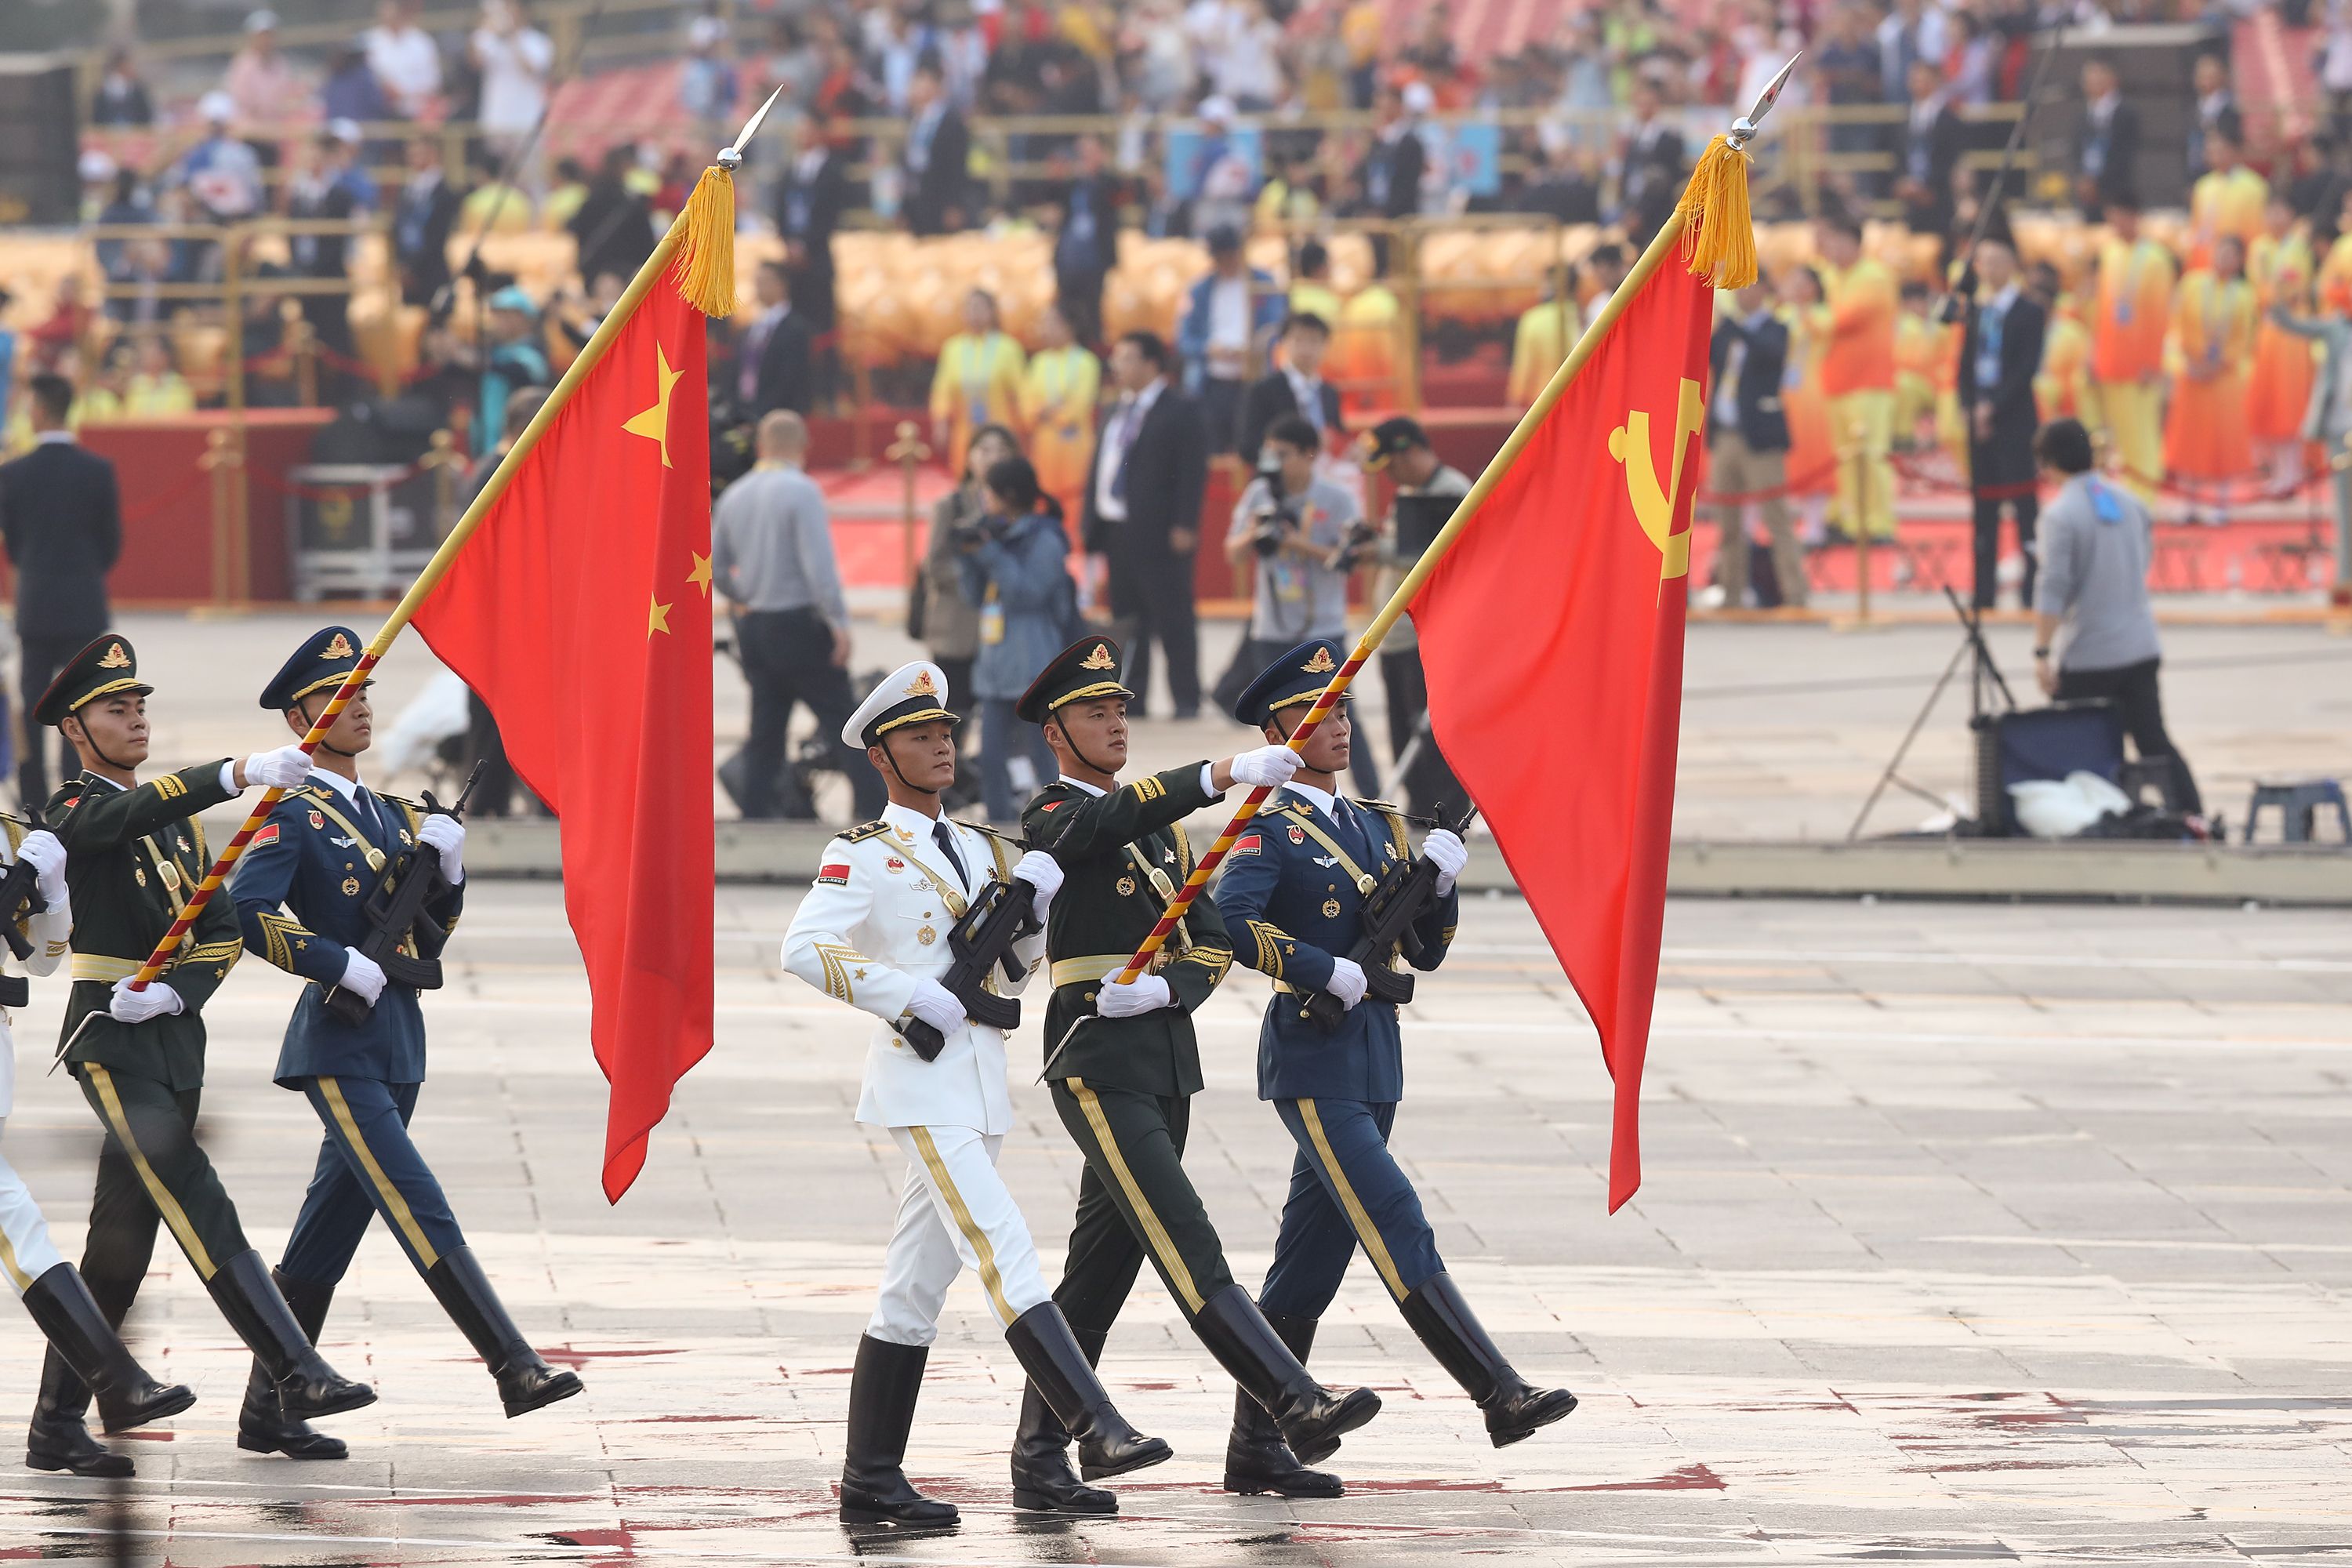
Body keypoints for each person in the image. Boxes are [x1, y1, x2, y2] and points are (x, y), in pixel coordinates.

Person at [781, 662, 1169, 1524]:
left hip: (979, 1077)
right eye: (920, 736)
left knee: (913, 1288)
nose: (942, 746)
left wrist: (1028, 914)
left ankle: (870, 1478)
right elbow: (804, 948)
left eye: (947, 731)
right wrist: (911, 994)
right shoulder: (863, 854)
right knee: (1005, 1244)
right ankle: (1093, 1419)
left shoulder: (993, 850)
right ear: (882, 756)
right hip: (922, 1082)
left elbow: (1011, 965)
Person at [1009, 636, 1381, 1503]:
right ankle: (1293, 1396)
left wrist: (1169, 989)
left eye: (1120, 709)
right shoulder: (1053, 815)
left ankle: (1037, 1457)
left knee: (1101, 1267)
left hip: (1163, 1058)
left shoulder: (1169, 835)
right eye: (1095, 713)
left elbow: (1213, 940)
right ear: (1057, 733)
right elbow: (1103, 823)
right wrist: (1217, 772)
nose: (1114, 722)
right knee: (1186, 1234)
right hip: (1095, 1060)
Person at [1212, 639, 1575, 1497]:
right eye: (1316, 713)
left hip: (1375, 1060)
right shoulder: (1267, 826)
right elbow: (1230, 922)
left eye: (1341, 710)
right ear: (1276, 729)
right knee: (1396, 1214)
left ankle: (1257, 1448)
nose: (1336, 725)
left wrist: (1440, 887)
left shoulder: (1378, 822)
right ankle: (1498, 1391)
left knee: (1310, 1261)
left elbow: (1425, 950)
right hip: (1312, 1055)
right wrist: (1320, 968)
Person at [230, 629, 582, 1459]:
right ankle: (512, 1362)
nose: (359, 706)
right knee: (418, 1202)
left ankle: (267, 1408)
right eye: (339, 695)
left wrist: (449, 875)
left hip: (396, 1042)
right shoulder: (290, 811)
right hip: (335, 1042)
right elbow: (247, 913)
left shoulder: (391, 814)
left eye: (363, 693)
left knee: (327, 1230)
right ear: (299, 713)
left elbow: (427, 937)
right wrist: (333, 960)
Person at [25, 637, 372, 1478]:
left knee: (120, 1241)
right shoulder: (72, 808)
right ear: (76, 729)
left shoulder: (173, 822)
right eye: (116, 708)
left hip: (172, 1036)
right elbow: (118, 820)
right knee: (196, 1195)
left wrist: (180, 991)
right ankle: (298, 1369)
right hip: (109, 1039)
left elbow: (218, 921)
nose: (135, 717)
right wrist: (237, 771)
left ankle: (56, 1423)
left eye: (140, 704)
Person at [2, 818, 195, 1468]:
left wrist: (53, 894)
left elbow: (42, 959)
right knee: (16, 1219)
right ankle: (111, 1376)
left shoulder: (7, 837)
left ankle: (86, 1400)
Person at [710, 412, 881, 823]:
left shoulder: (735, 495)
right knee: (846, 723)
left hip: (755, 627)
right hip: (799, 625)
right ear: (803, 448)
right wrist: (839, 623)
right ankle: (879, 812)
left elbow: (715, 564)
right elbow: (818, 568)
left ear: (761, 446)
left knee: (765, 731)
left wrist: (741, 598)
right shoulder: (801, 491)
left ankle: (754, 820)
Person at [2030, 419, 2203, 818]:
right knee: (2154, 742)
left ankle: (2091, 821)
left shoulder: (2060, 515)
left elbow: (2053, 588)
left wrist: (2042, 651)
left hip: (2092, 654)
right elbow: (2141, 562)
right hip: (2140, 645)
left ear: (2049, 463)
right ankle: (2195, 817)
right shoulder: (2132, 502)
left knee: (2075, 746)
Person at [0, 375, 122, 808]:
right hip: (85, 605)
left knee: (34, 703)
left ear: (39, 410)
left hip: (35, 605)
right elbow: (110, 543)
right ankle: (79, 792)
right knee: (82, 702)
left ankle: (32, 795)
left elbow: (12, 544)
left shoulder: (13, 473)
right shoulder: (97, 470)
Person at [1082, 332, 1207, 717]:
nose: (1118, 366)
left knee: (1172, 617)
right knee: (1126, 618)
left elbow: (1191, 472)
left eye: (1127, 358)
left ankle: (1186, 698)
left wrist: (1186, 522)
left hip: (1161, 530)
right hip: (1116, 526)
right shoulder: (1115, 409)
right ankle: (1133, 697)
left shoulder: (1180, 409)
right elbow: (1100, 465)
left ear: (1152, 364)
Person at [1359, 417, 1469, 818]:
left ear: (1409, 451)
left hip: (1427, 637)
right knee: (1403, 734)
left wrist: (1379, 550)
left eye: (1391, 464)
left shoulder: (1451, 493)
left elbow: (1436, 558)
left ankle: (1446, 817)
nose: (1389, 476)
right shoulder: (1410, 492)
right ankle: (1420, 813)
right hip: (1397, 636)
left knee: (1430, 736)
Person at [957, 456, 1073, 822]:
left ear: (1007, 495)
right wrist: (969, 555)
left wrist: (989, 553)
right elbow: (975, 597)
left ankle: (1062, 823)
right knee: (991, 758)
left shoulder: (1046, 539)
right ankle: (997, 827)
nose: (984, 502)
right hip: (995, 667)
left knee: (1045, 756)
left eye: (988, 494)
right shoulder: (997, 535)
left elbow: (1028, 594)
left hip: (1034, 664)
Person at [1218, 416, 1358, 713]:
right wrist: (1256, 532)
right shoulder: (1260, 493)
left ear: (1310, 454)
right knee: (1278, 720)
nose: (1274, 463)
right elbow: (1232, 554)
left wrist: (1298, 543)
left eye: (1282, 454)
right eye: (1269, 454)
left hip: (1323, 626)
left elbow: (1349, 560)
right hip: (1271, 628)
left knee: (1338, 716)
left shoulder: (1336, 498)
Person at [1707, 280, 1807, 610]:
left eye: (1746, 287)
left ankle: (1794, 594)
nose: (1740, 294)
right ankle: (1731, 592)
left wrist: (1736, 325)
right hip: (1726, 435)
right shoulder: (1726, 332)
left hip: (1760, 439)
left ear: (1763, 290)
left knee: (1776, 518)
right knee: (1728, 522)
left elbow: (1771, 355)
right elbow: (1708, 356)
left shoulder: (1776, 328)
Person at [1958, 238, 2047, 608]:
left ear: (2012, 265)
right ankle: (1984, 591)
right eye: (1984, 263)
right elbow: (1965, 363)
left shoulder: (2029, 312)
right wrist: (1969, 405)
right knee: (1984, 510)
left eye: (1998, 262)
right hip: (1979, 420)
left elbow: (2025, 369)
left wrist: (1992, 408)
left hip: (2013, 419)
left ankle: (2032, 590)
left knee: (2025, 508)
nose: (1990, 270)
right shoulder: (1977, 310)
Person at [924, 425, 1018, 721]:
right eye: (984, 450)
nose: (992, 458)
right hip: (958, 626)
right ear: (969, 459)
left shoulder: (1019, 510)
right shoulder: (950, 506)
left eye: (1001, 451)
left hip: (1005, 632)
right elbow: (935, 564)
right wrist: (977, 581)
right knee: (954, 719)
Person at [1818, 215, 1898, 542]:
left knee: (1871, 455)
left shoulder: (1874, 277)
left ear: (1856, 242)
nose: (1831, 248)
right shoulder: (1833, 276)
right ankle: (1851, 520)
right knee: (1844, 459)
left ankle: (1879, 522)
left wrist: (1805, 308)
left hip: (1870, 383)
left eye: (1838, 240)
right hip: (1837, 380)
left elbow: (1841, 320)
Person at [2164, 233, 2257, 515]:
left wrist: (2220, 364)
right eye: (2220, 252)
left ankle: (2222, 502)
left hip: (2225, 377)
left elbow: (2246, 338)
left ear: (2240, 261)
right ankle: (2189, 503)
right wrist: (2190, 359)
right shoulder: (2192, 283)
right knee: (2190, 438)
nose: (2223, 259)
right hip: (2192, 373)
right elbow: (2176, 324)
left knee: (2223, 439)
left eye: (2231, 254)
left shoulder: (2244, 294)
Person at [2089, 197, 2174, 503]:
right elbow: (2102, 310)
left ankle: (2146, 501)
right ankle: (2129, 495)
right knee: (2122, 437)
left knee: (2142, 436)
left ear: (2134, 217)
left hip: (2141, 367)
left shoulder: (2155, 259)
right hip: (2112, 361)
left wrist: (2152, 363)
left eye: (2121, 217)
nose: (2115, 224)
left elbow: (2158, 316)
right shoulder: (2110, 252)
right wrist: (2095, 354)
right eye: (2111, 217)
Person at [1178, 225, 1282, 452]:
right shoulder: (1200, 290)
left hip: (1253, 378)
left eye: (1230, 255)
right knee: (1213, 445)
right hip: (1214, 381)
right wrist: (1209, 349)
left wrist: (1254, 348)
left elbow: (1277, 326)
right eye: (1220, 257)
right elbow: (1185, 339)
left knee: (1254, 445)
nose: (1226, 262)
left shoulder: (1262, 282)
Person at [2249, 198, 2318, 491]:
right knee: (2269, 402)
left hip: (2292, 333)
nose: (2275, 217)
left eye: (2280, 210)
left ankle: (2292, 471)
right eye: (2271, 211)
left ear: (2290, 213)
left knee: (2289, 403)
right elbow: (2258, 288)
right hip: (2268, 331)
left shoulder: (2299, 247)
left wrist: (2277, 291)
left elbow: (2296, 287)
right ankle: (2276, 470)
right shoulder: (2260, 247)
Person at [1019, 302, 1101, 528]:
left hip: (1074, 442)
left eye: (1052, 323)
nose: (1046, 329)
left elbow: (1079, 406)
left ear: (1070, 326)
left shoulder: (1086, 362)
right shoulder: (1039, 362)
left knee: (1076, 496)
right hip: (1044, 443)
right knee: (1044, 495)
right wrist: (1042, 411)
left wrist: (1049, 411)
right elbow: (1027, 404)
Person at [930, 289, 1027, 478]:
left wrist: (1025, 424)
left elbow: (1022, 392)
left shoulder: (1008, 348)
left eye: (980, 308)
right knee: (966, 476)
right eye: (970, 308)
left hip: (1000, 428)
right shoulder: (953, 348)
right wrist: (940, 421)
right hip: (965, 428)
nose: (974, 313)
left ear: (992, 312)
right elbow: (942, 389)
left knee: (999, 477)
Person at [773, 113, 852, 335]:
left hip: (817, 258)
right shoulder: (790, 169)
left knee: (820, 324)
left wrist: (807, 245)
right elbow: (780, 210)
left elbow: (830, 215)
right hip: (792, 258)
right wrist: (789, 243)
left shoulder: (833, 170)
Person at [1238, 314, 1341, 468]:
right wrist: (1286, 457)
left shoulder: (1329, 392)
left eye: (1314, 341)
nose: (1306, 348)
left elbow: (1337, 435)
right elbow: (1248, 449)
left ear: (1325, 346)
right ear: (1283, 343)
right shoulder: (1263, 390)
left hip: (1323, 474)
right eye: (1299, 340)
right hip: (1279, 481)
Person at [1053, 136, 1120, 348]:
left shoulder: (1107, 182)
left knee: (1093, 315)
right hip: (1068, 260)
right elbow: (1049, 199)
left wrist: (1092, 177)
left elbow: (1119, 195)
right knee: (1067, 312)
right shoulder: (1071, 184)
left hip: (1094, 260)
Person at [1893, 58, 1963, 252]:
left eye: (1922, 79)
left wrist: (1929, 187)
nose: (1916, 84)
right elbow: (1899, 155)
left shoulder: (1948, 118)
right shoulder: (1907, 116)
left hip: (1939, 198)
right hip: (1912, 201)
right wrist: (1904, 182)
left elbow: (1950, 158)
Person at [568, 147, 657, 296]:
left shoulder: (590, 201)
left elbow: (576, 230)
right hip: (629, 277)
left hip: (595, 274)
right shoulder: (633, 203)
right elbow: (646, 242)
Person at [473, 287, 550, 456]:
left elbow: (524, 372)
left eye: (505, 316)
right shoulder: (497, 351)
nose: (498, 322)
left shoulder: (532, 350)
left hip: (519, 442)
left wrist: (474, 361)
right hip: (490, 438)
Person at [735, 260, 815, 422]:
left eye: (765, 281)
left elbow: (791, 378)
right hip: (746, 413)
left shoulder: (796, 329)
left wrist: (761, 412)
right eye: (757, 281)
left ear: (782, 285)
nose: (759, 287)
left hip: (778, 415)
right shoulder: (751, 327)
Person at [902, 63, 975, 235]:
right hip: (918, 199)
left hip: (941, 201)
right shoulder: (915, 120)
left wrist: (954, 204)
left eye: (920, 83)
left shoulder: (951, 122)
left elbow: (958, 166)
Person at [392, 138, 462, 308]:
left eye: (419, 154)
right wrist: (403, 264)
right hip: (409, 268)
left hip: (432, 267)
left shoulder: (444, 193)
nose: (413, 159)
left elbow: (438, 234)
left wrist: (415, 266)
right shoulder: (408, 189)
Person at [2074, 57, 2140, 216]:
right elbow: (2076, 151)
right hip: (2088, 198)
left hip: (2117, 194)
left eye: (2098, 79)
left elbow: (2126, 154)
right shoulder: (2083, 117)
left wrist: (2099, 183)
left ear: (2111, 80)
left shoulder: (2126, 115)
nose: (2092, 84)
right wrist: (2083, 180)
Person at [1508, 278, 1580, 409]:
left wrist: (1515, 400)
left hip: (1542, 400)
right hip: (1579, 398)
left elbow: (1525, 365)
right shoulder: (1584, 315)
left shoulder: (1533, 319)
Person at [365, 0, 443, 118]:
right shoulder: (368, 41)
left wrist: (406, 95)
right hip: (378, 114)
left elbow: (433, 82)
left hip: (417, 114)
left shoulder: (422, 42)